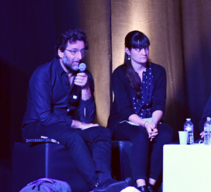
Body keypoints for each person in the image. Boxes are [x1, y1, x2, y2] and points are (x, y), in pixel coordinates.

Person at [22, 29, 130, 192]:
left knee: (102, 132)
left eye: (82, 51)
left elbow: (87, 119)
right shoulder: (43, 74)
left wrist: (86, 88)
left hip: (66, 127)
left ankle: (105, 180)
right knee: (73, 136)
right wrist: (78, 124)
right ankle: (96, 185)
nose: (79, 57)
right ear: (60, 52)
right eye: (73, 51)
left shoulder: (85, 76)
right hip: (37, 126)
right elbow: (44, 117)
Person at [107, 31, 174, 192]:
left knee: (166, 132)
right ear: (128, 51)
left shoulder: (158, 71)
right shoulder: (119, 73)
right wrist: (145, 124)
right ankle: (140, 185)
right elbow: (124, 109)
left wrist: (153, 123)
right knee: (140, 134)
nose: (144, 52)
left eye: (146, 48)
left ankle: (151, 183)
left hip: (151, 119)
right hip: (125, 121)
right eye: (138, 49)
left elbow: (159, 104)